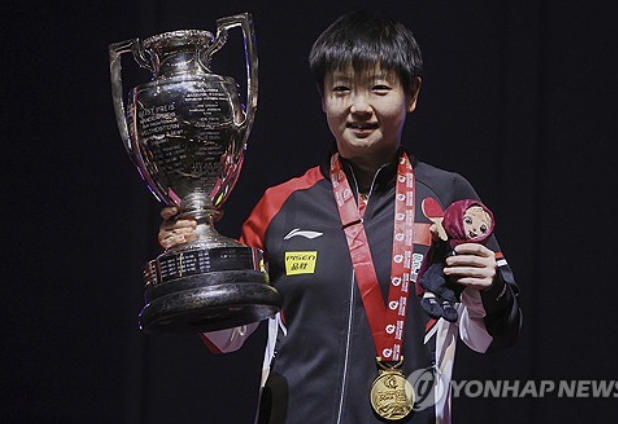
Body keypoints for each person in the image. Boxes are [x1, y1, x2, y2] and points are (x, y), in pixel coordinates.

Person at [158, 10, 521, 424]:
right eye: (342, 89)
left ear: (412, 93)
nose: (359, 107)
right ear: (322, 99)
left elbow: (488, 337)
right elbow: (226, 336)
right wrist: (191, 259)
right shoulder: (281, 205)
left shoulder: (450, 199)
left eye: (379, 88)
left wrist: (488, 287)